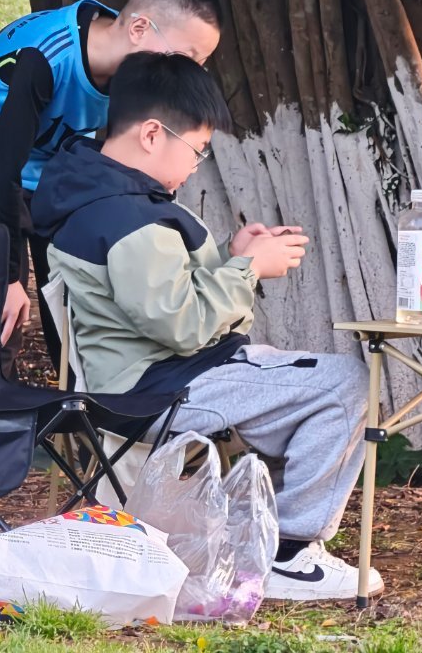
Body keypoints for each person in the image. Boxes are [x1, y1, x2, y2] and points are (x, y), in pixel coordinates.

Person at [30, 51, 383, 602]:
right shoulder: (126, 218)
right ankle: (288, 552)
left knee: (314, 382)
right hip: (158, 392)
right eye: (195, 149)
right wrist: (250, 269)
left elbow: (161, 296)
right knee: (346, 385)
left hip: (158, 378)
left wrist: (228, 256)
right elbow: (185, 325)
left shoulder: (102, 195)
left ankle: (259, 528)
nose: (196, 164)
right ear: (152, 134)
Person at [0, 0, 224, 357]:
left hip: (44, 158)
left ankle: (74, 405)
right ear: (138, 29)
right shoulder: (46, 58)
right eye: (188, 57)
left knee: (70, 289)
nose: (192, 73)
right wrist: (6, 275)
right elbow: (0, 171)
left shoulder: (131, 71)